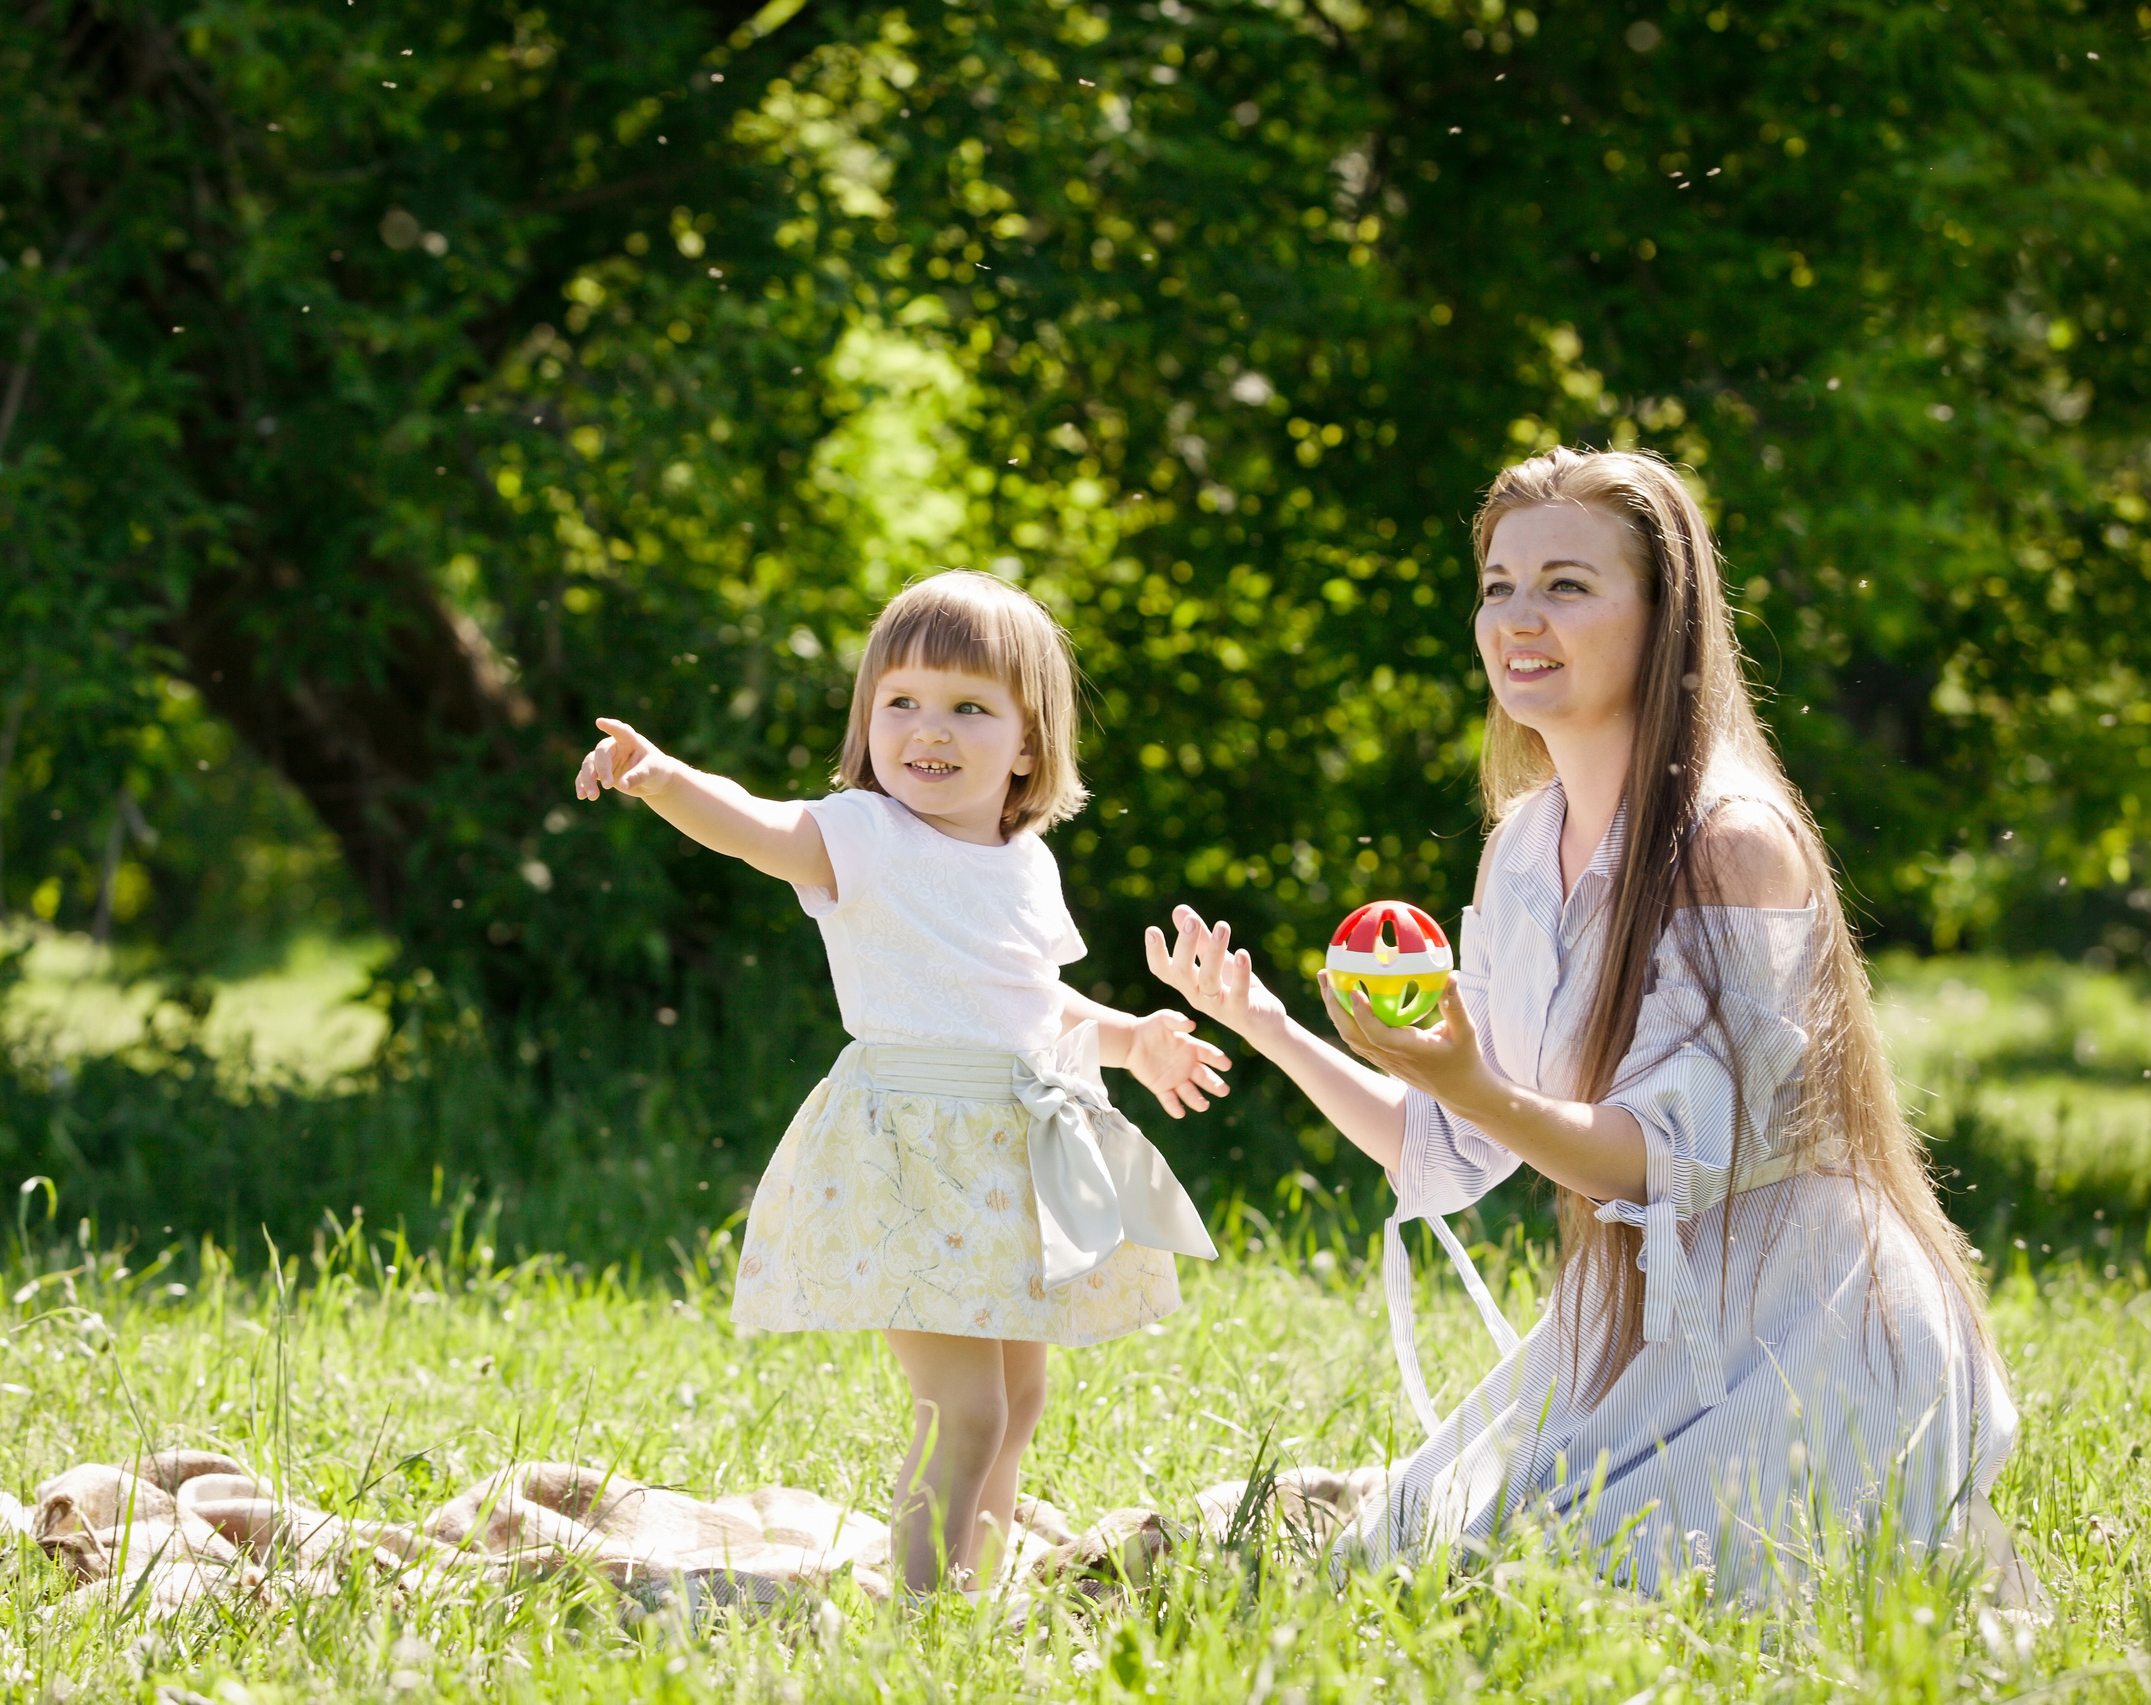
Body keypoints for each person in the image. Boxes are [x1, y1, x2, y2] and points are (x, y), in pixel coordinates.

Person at [1145, 448, 2025, 1598]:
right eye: (1498, 585)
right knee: (1396, 1573)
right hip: (1637, 1326)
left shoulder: (1729, 842)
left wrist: (1468, 1079)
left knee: (1567, 1601)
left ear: (1665, 617)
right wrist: (1265, 1022)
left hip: (1808, 1329)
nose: (1519, 617)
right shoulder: (1521, 846)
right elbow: (1451, 1143)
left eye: (1565, 584)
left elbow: (1666, 1159)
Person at [574, 570, 1225, 1597]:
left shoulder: (1021, 860)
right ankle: (917, 1617)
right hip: (914, 1154)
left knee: (1018, 1395)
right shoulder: (862, 838)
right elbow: (752, 824)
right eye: (902, 702)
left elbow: (1027, 1003)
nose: (931, 728)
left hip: (1006, 1158)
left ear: (1027, 742)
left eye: (970, 706)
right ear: (868, 720)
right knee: (959, 1410)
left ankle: (975, 1583)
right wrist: (662, 777)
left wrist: (1127, 1038)